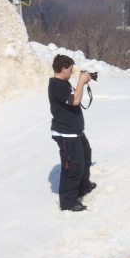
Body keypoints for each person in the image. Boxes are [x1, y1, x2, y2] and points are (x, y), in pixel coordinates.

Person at [49, 54, 97, 212]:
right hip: (65, 134)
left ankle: (83, 186)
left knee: (85, 156)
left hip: (75, 131)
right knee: (73, 166)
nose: (71, 72)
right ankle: (68, 202)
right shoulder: (56, 85)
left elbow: (73, 98)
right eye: (70, 69)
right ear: (63, 69)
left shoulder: (63, 83)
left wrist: (82, 83)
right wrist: (82, 82)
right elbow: (75, 101)